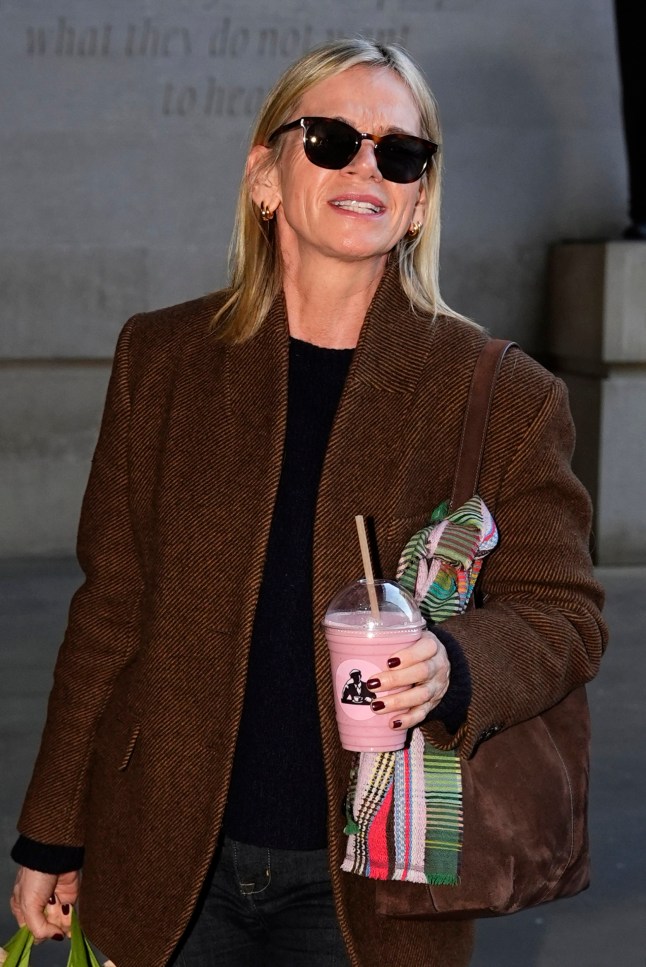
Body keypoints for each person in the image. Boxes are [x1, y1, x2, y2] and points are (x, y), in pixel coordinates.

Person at [9, 38, 606, 967]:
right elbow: (109, 610)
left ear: (415, 202)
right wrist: (54, 828)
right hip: (166, 855)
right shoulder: (161, 360)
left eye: (399, 153)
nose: (366, 165)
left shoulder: (501, 393)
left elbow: (564, 612)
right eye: (331, 138)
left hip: (377, 875)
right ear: (265, 174)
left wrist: (454, 660)